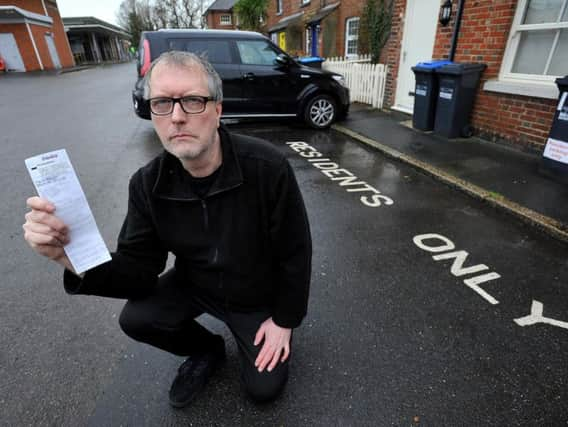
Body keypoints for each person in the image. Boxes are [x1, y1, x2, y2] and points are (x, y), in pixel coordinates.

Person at [23, 51, 312, 408]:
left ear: (217, 109)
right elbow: (137, 271)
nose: (176, 117)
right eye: (162, 103)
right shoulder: (148, 185)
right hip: (197, 284)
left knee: (263, 389)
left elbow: (295, 252)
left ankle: (254, 333)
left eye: (191, 100)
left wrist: (284, 320)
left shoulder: (267, 168)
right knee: (137, 318)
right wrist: (71, 257)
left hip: (255, 297)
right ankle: (206, 349)